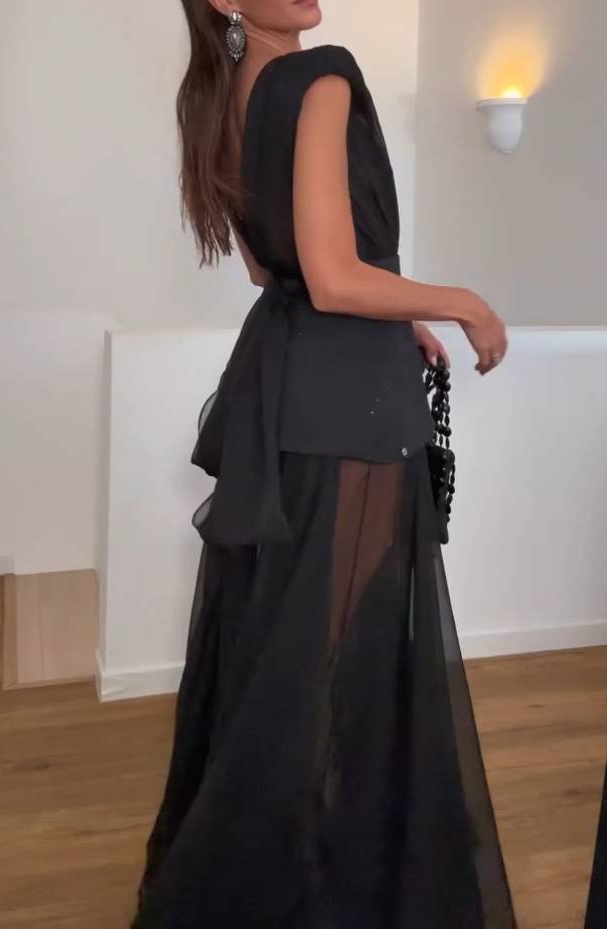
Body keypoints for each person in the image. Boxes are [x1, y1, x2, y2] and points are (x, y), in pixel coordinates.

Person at [131, 1, 515, 927]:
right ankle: (293, 882)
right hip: (347, 401)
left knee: (291, 647)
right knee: (336, 655)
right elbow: (336, 275)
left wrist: (399, 314)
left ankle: (278, 865)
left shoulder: (223, 95)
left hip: (284, 381)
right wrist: (462, 301)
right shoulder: (321, 75)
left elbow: (274, 271)